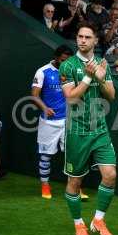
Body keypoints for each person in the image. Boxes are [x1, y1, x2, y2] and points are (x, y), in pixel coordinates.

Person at [59, 22, 116, 235]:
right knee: (74, 182)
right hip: (77, 131)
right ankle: (79, 224)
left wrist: (101, 76)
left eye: (87, 37)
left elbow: (111, 95)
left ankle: (99, 220)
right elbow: (71, 98)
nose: (82, 40)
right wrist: (88, 77)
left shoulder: (103, 64)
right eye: (80, 36)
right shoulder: (68, 66)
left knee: (110, 175)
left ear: (95, 41)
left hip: (99, 129)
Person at [31, 45, 89, 200]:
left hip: (69, 121)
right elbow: (34, 95)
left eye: (68, 60)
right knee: (45, 156)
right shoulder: (42, 71)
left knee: (73, 155)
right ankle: (45, 185)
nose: (65, 63)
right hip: (48, 122)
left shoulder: (72, 70)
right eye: (63, 60)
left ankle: (76, 188)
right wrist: (45, 108)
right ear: (56, 57)